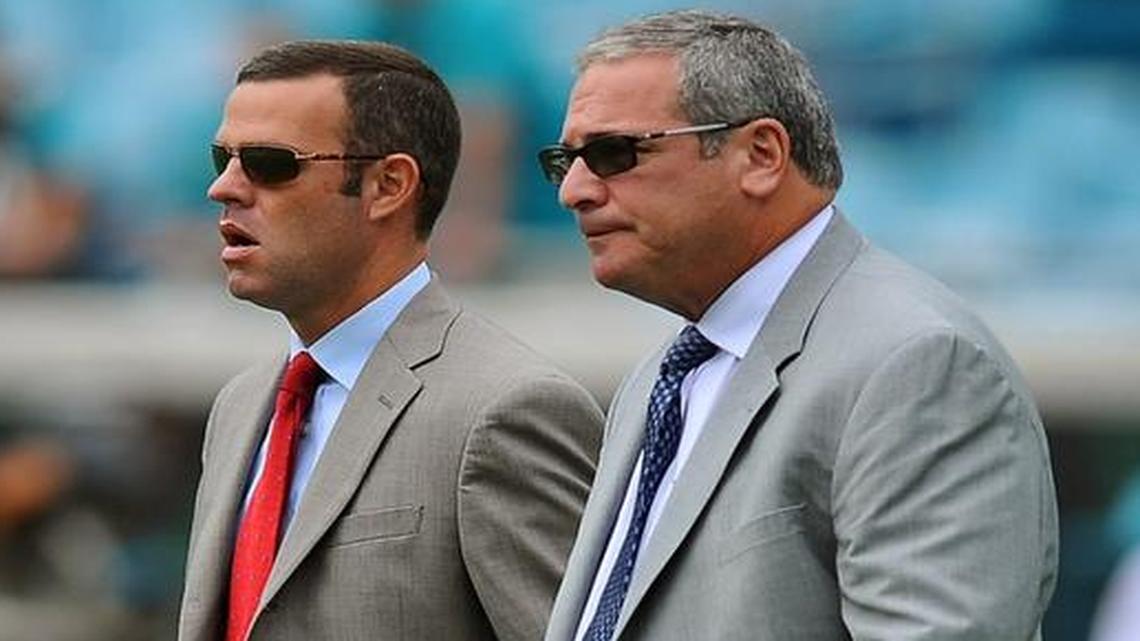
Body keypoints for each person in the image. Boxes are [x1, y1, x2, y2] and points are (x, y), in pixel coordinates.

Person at [537, 10, 1058, 641]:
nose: (574, 191)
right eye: (565, 161)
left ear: (761, 155)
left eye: (613, 153)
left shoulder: (918, 363)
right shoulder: (667, 374)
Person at [177, 40, 603, 641]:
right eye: (222, 157)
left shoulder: (504, 410)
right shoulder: (241, 406)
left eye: (270, 163)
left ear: (389, 184)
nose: (224, 187)